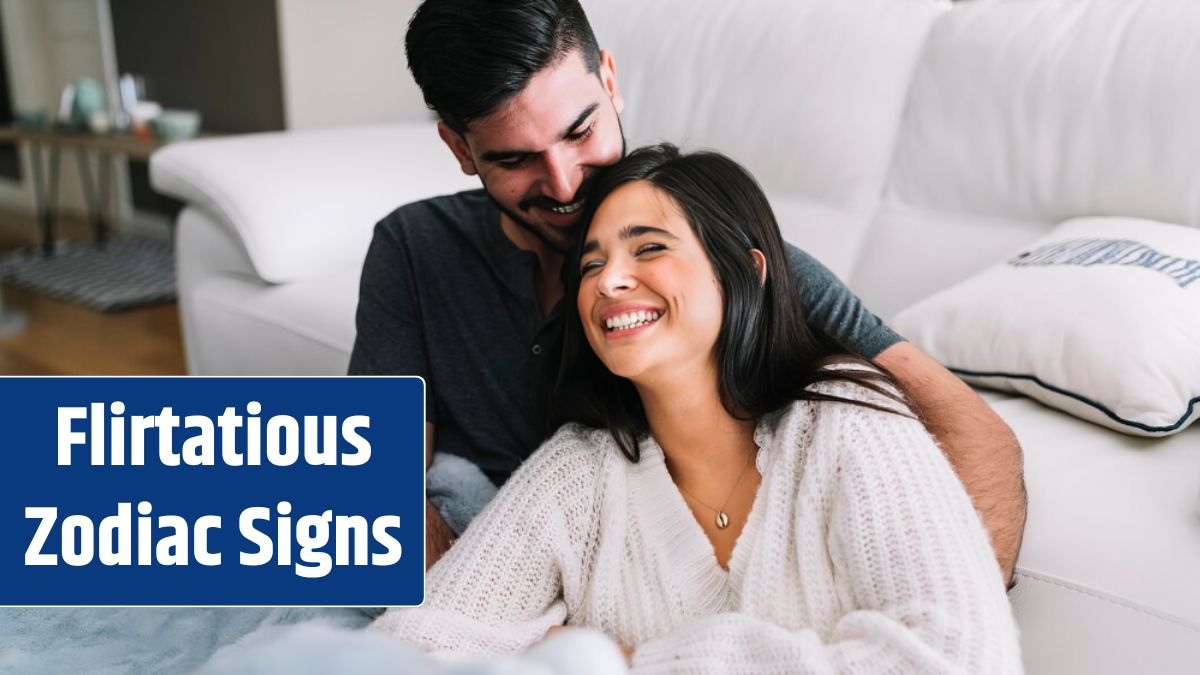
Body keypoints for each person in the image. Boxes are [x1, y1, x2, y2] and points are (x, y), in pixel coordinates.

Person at [349, 0, 1025, 586]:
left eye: (580, 131)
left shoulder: (722, 259)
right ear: (460, 149)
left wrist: (951, 617)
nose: (562, 185)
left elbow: (976, 432)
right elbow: (378, 480)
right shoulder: (415, 249)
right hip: (488, 554)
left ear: (609, 80)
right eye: (514, 158)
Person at [370, 145, 1022, 673]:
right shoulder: (577, 470)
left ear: (746, 269)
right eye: (590, 264)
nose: (608, 279)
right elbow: (411, 645)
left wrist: (624, 664)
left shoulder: (847, 421)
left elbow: (960, 658)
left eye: (649, 247)